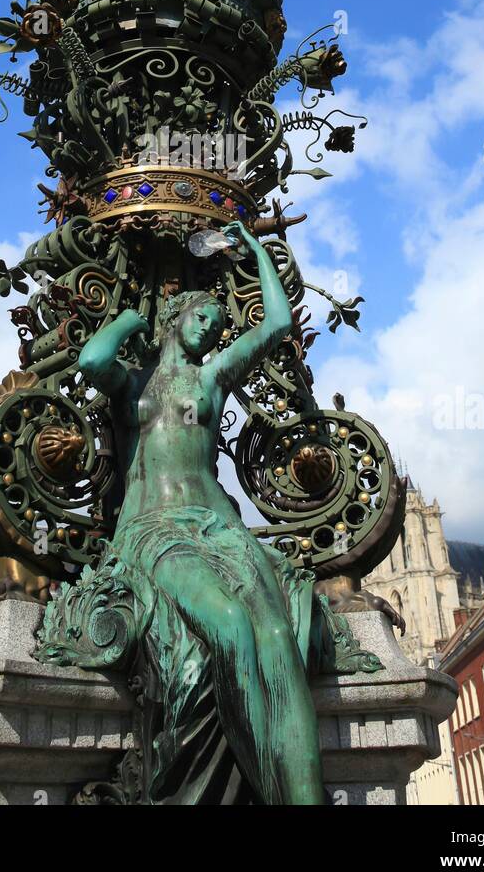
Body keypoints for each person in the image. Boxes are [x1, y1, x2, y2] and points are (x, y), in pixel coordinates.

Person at [77, 219, 328, 805]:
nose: (211, 329)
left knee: (276, 634)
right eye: (202, 317)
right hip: (155, 528)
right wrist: (132, 319)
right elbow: (91, 361)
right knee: (230, 627)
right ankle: (268, 790)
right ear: (174, 318)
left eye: (217, 324)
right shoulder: (133, 384)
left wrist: (256, 247)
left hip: (220, 525)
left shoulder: (212, 379)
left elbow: (276, 324)